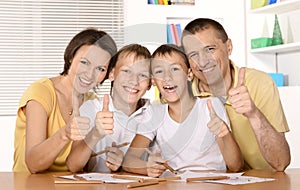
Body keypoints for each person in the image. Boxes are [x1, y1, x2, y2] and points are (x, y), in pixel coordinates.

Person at [181, 18, 291, 171]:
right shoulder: (181, 94)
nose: (202, 61)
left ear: (229, 47)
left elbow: (281, 163)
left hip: (262, 183)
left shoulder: (260, 83)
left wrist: (253, 114)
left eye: (210, 49)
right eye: (193, 54)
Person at [123, 44, 243, 177]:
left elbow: (236, 166)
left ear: (189, 74)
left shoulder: (211, 106)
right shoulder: (155, 113)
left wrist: (225, 134)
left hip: (212, 182)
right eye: (159, 72)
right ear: (154, 81)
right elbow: (129, 160)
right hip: (174, 183)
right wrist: (147, 168)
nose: (167, 77)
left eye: (175, 69)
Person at [13, 28, 117, 173]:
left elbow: (76, 166)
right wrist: (65, 134)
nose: (89, 74)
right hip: (28, 184)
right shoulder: (41, 92)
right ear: (70, 57)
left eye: (100, 69)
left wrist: (98, 138)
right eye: (85, 62)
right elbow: (33, 165)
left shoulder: (93, 103)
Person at [66, 44, 152, 172]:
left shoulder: (153, 114)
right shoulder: (91, 108)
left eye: (143, 75)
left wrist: (123, 163)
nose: (134, 80)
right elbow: (73, 165)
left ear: (150, 83)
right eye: (126, 71)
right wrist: (95, 134)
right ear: (111, 74)